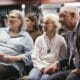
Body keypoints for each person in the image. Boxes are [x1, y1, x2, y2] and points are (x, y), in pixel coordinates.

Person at [28, 14, 67, 80]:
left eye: (47, 23)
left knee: (45, 78)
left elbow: (63, 58)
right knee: (32, 77)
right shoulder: (39, 39)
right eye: (43, 23)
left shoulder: (61, 40)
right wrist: (42, 68)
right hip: (38, 66)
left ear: (55, 25)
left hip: (53, 67)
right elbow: (34, 57)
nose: (43, 25)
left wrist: (53, 67)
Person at [0, 10, 33, 80]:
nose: (10, 19)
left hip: (12, 65)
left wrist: (15, 58)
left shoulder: (26, 36)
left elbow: (31, 55)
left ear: (20, 21)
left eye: (13, 17)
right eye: (9, 17)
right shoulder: (1, 31)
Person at [50, 6, 80, 80]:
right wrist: (58, 64)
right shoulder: (69, 34)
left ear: (73, 16)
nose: (59, 20)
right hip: (74, 68)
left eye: (62, 16)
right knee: (52, 78)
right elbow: (69, 57)